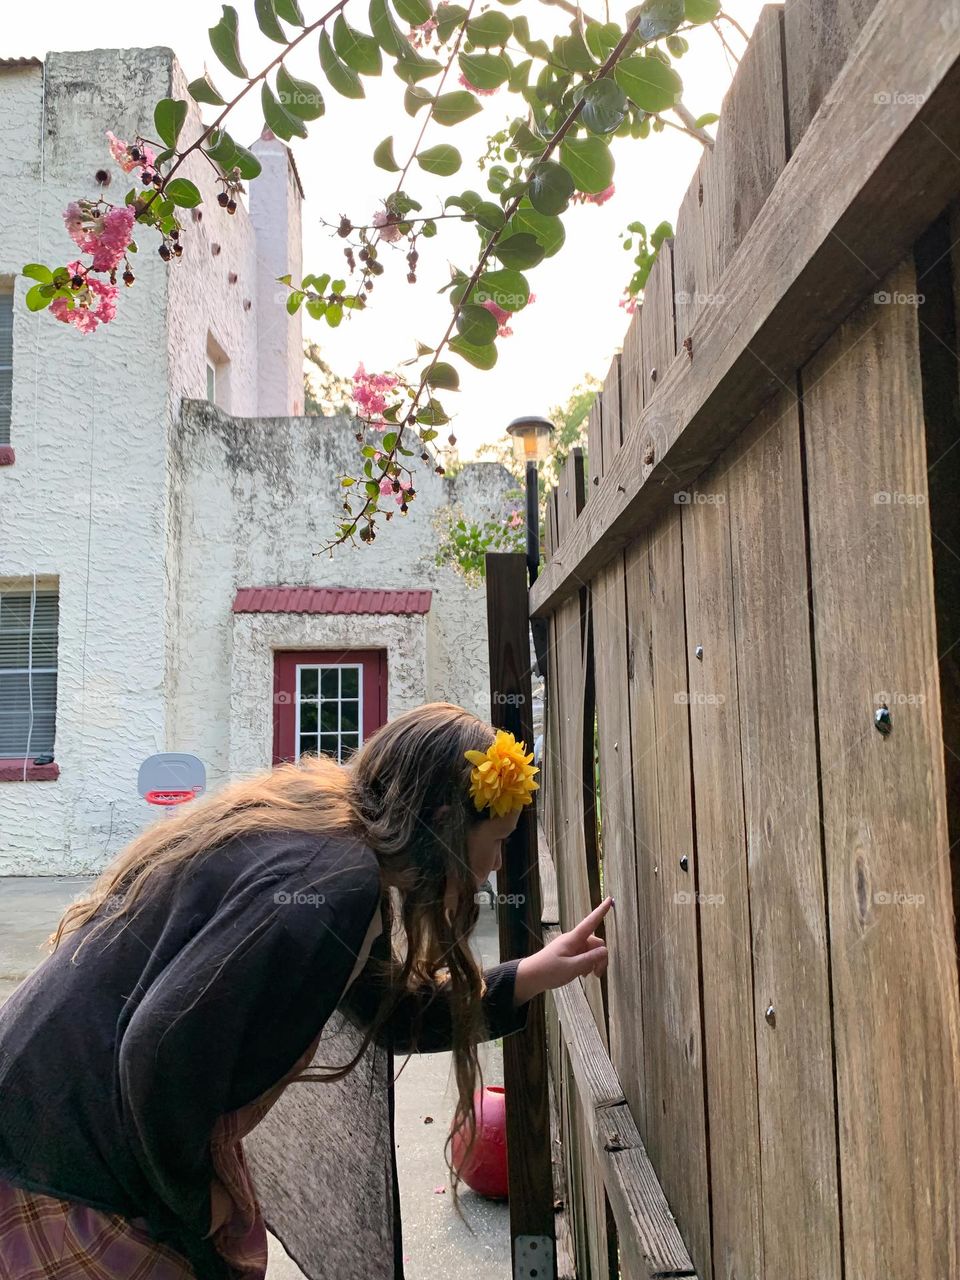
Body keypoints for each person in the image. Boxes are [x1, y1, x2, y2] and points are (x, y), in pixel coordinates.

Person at [0, 702, 611, 1280]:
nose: (500, 863)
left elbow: (391, 1015)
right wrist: (190, 1200)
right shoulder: (334, 886)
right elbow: (159, 1045)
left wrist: (535, 972)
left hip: (50, 1116)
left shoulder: (339, 855)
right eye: (499, 840)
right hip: (60, 1152)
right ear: (448, 823)